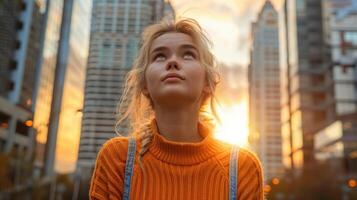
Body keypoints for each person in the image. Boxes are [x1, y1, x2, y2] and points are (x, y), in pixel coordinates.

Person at [89, 18, 264, 200]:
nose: (172, 62)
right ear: (145, 84)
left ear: (207, 82)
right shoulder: (117, 159)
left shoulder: (242, 167)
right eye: (159, 56)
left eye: (188, 55)